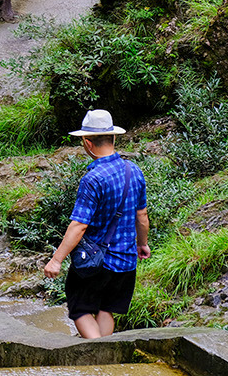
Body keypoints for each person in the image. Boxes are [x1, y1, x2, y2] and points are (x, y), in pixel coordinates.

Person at [43, 109, 150, 339]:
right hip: (126, 262)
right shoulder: (134, 171)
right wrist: (143, 244)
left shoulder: (93, 179)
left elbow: (79, 226)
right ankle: (105, 355)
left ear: (88, 143)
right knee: (105, 308)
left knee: (80, 307)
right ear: (112, 138)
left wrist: (56, 260)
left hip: (96, 264)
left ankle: (96, 354)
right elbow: (141, 215)